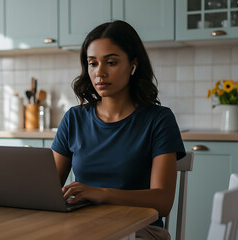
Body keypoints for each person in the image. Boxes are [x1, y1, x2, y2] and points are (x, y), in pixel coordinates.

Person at [51, 20, 185, 240]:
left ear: (133, 65)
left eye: (111, 62)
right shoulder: (74, 118)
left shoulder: (159, 119)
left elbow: (163, 202)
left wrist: (101, 193)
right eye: (92, 63)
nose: (99, 73)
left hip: (140, 230)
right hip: (83, 228)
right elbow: (48, 188)